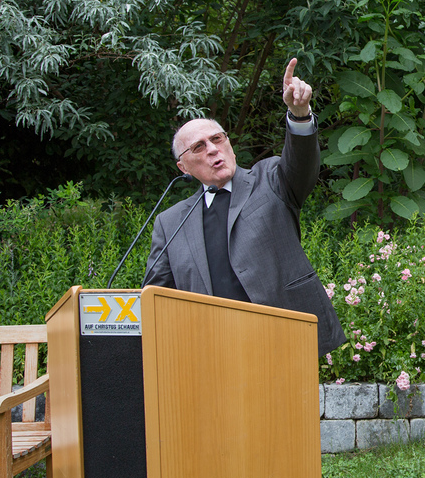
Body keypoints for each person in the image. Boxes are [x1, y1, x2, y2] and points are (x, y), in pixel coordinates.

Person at [144, 58, 346, 357]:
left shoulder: (271, 179)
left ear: (229, 144)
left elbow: (302, 163)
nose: (213, 149)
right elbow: (155, 297)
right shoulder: (170, 222)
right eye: (199, 147)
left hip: (283, 338)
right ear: (183, 167)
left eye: (217, 139)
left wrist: (300, 115)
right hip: (209, 351)